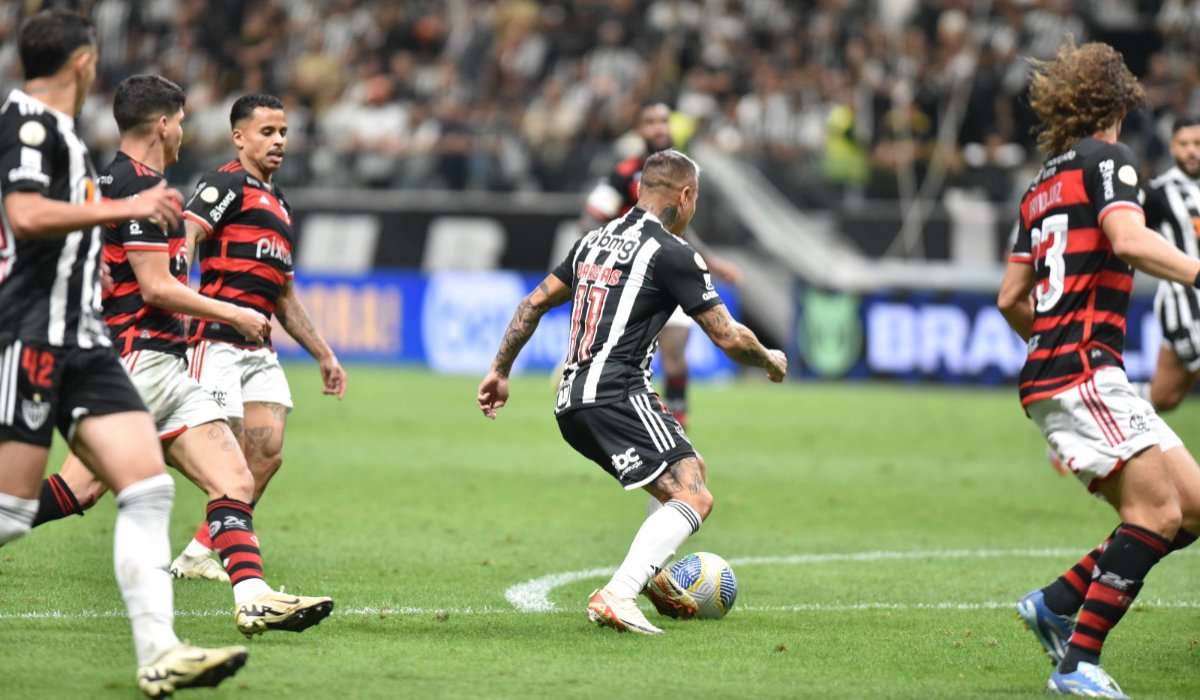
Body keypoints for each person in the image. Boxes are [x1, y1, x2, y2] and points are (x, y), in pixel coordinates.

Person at [27, 74, 334, 637]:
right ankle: (189, 620)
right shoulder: (138, 188)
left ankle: (252, 595)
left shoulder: (110, 183)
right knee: (102, 489)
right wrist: (230, 312)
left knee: (228, 477)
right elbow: (156, 287)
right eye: (183, 122)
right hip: (135, 364)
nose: (185, 133)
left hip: (154, 364)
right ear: (164, 125)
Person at [0, 11, 246, 696]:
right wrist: (120, 212)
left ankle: (161, 651)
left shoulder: (68, 136)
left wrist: (93, 270)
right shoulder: (29, 124)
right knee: (12, 510)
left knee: (148, 487)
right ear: (82, 62)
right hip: (36, 335)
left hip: (86, 339)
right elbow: (25, 214)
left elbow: (57, 233)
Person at [479, 149, 787, 635]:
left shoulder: (593, 241)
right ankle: (619, 592)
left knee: (690, 468)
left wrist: (500, 370)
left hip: (571, 400)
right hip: (615, 393)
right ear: (686, 196)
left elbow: (532, 303)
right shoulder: (673, 252)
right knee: (695, 497)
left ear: (642, 190)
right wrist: (770, 358)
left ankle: (653, 579)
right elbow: (728, 337)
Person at [996, 41, 1200, 698]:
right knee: (1158, 512)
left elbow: (1011, 297)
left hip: (1065, 369)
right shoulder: (1110, 161)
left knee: (1192, 507)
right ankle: (1077, 663)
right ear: (1120, 99)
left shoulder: (1039, 185)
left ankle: (1056, 602)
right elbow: (1128, 239)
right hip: (1083, 370)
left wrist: (1049, 342)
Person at [169, 93, 347, 578]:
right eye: (267, 132)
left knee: (265, 457)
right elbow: (186, 234)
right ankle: (135, 449)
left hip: (259, 349)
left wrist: (324, 354)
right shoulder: (226, 183)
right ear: (239, 137)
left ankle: (197, 555)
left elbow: (284, 298)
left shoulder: (281, 205)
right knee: (220, 455)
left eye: (283, 132)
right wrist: (176, 298)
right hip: (216, 340)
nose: (279, 141)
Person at [581, 102, 742, 430]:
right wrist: (613, 250)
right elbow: (590, 219)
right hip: (632, 278)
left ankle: (677, 427)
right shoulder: (624, 173)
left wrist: (712, 262)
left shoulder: (680, 173)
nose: (659, 128)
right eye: (651, 121)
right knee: (626, 360)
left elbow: (682, 230)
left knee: (676, 358)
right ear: (640, 129)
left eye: (664, 121)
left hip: (672, 270)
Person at [1136, 116, 1200, 411]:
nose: (1191, 151)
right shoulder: (1157, 192)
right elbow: (1125, 231)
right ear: (1172, 147)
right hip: (1185, 303)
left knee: (1164, 396)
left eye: (1197, 143)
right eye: (1183, 144)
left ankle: (1096, 403)